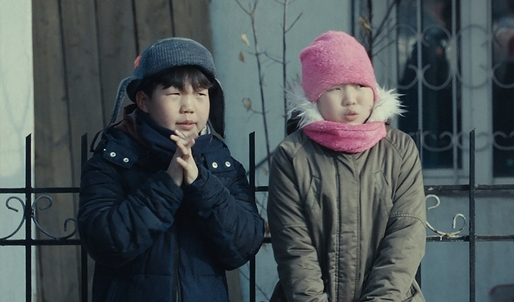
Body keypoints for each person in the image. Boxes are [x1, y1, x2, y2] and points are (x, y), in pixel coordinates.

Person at [78, 37, 264, 302]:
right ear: (144, 101)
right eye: (175, 94)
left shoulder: (221, 163)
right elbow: (104, 242)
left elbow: (244, 245)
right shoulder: (113, 160)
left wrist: (199, 181)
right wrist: (168, 182)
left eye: (200, 94)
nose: (189, 107)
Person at [268, 31, 427, 302]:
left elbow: (406, 237)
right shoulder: (292, 156)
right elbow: (294, 247)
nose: (350, 99)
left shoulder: (399, 150)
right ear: (315, 96)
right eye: (335, 88)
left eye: (360, 85)